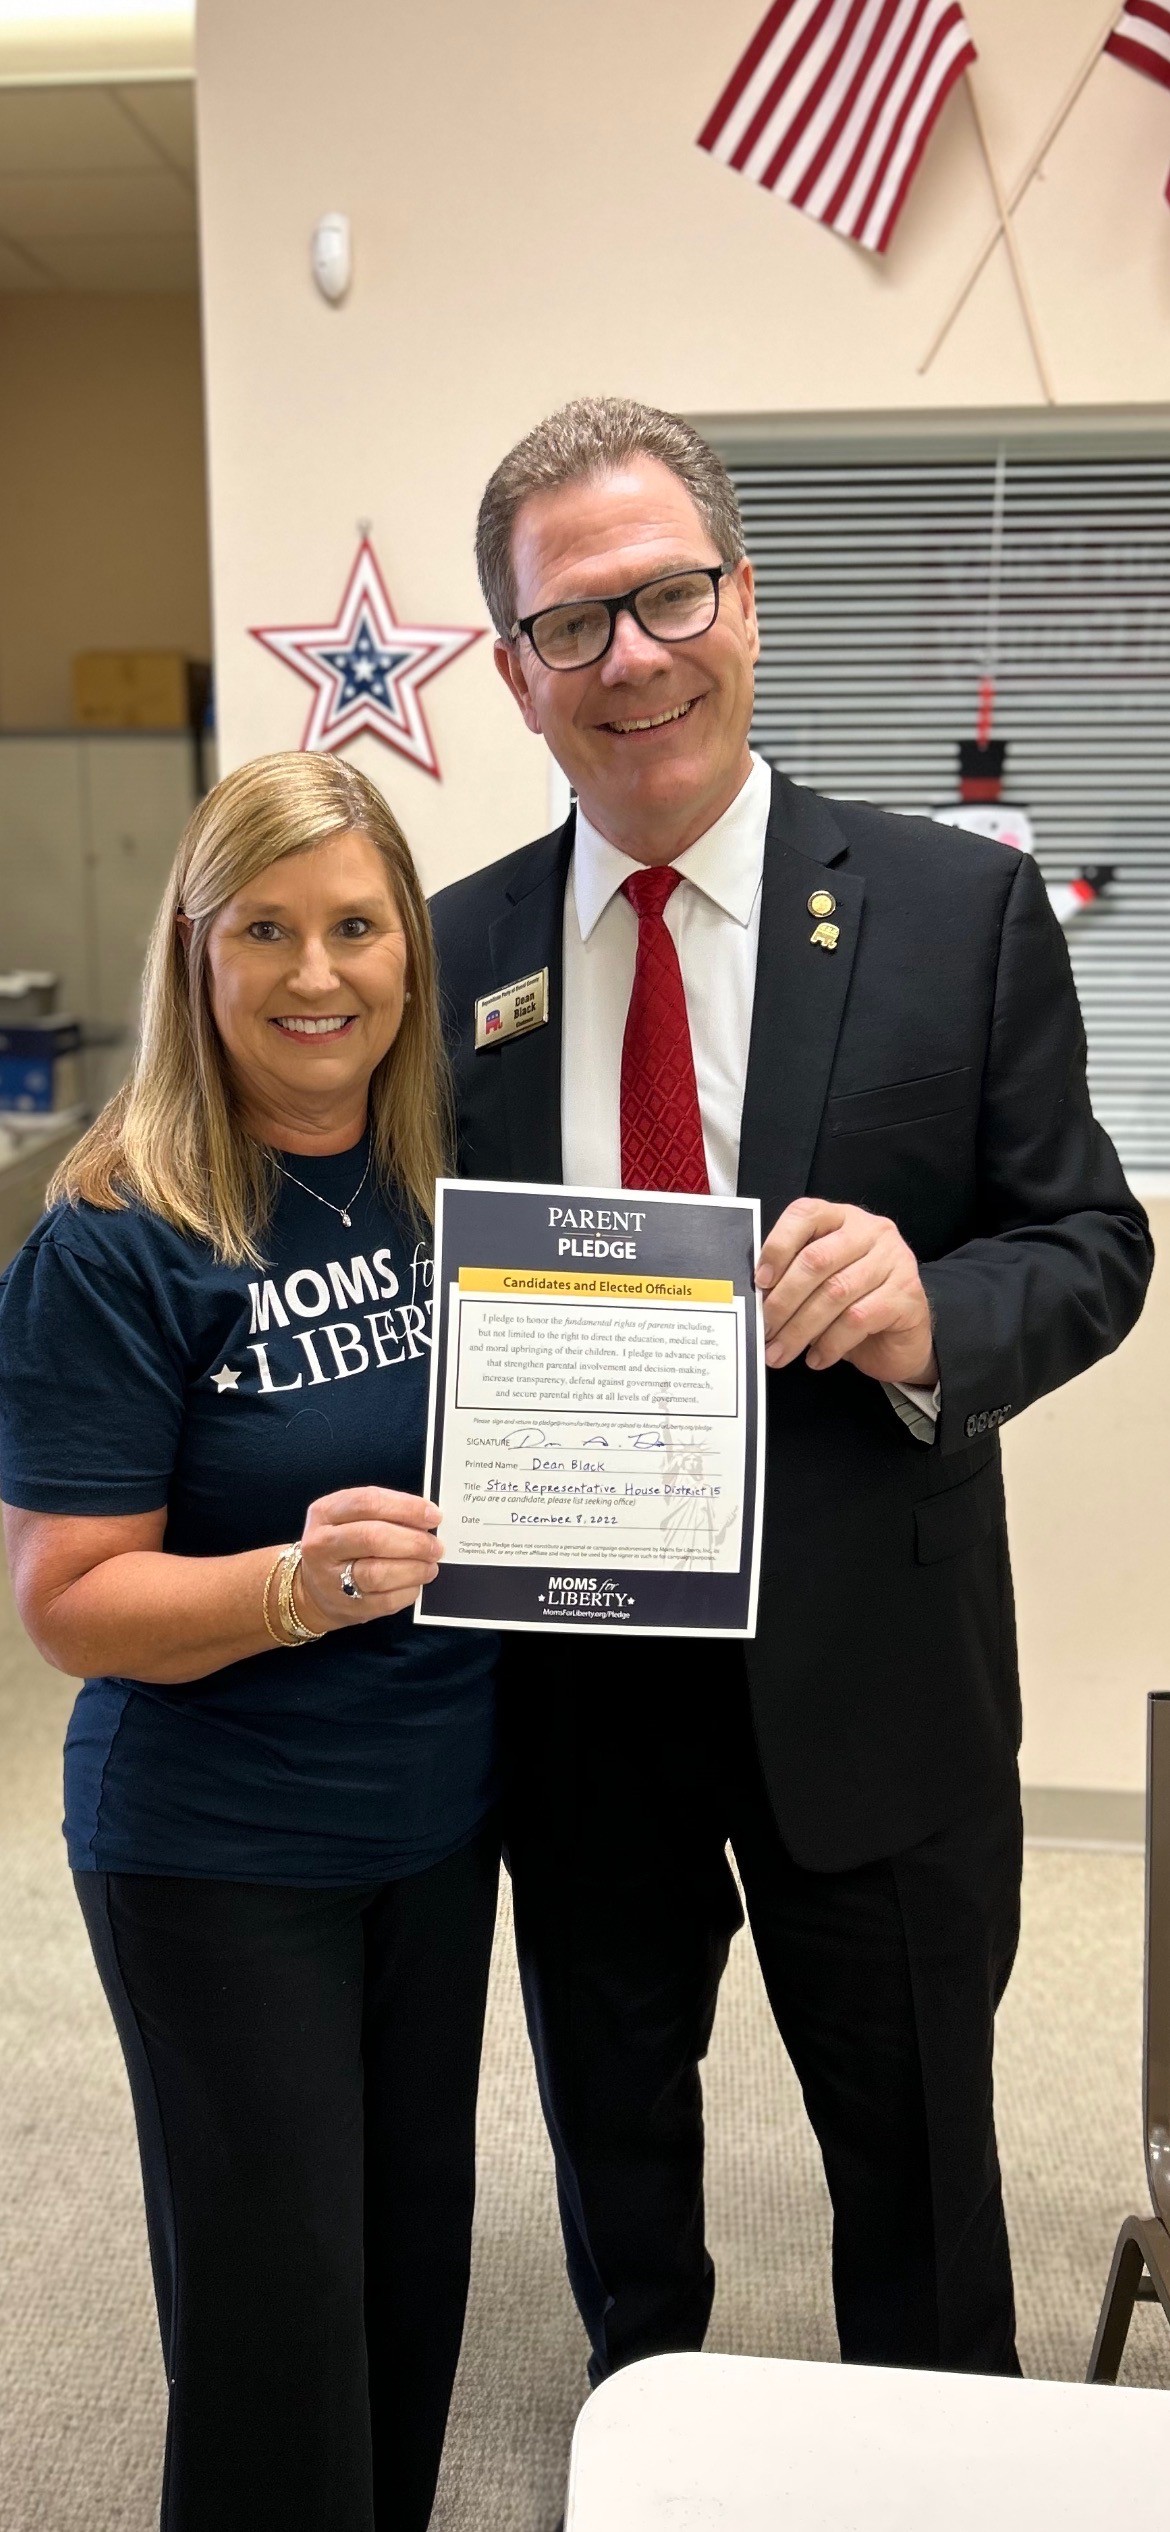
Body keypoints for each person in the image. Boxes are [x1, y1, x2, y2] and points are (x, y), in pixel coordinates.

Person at [429, 397, 1154, 2386]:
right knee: (617, 2160)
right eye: (573, 622)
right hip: (578, 1695)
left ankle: (932, 2471)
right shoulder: (451, 954)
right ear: (514, 669)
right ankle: (643, 2424)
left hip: (879, 1683)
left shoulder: (954, 908)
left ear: (744, 601)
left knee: (917, 2177)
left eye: (668, 596)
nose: (630, 656)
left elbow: (1091, 1244)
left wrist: (928, 1310)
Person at [0, 752, 499, 2532]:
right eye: (265, 931)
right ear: (194, 955)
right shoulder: (115, 1235)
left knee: (408, 2276)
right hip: (219, 1847)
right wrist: (292, 1585)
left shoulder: (448, 1184)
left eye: (355, 926)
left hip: (433, 1828)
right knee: (277, 2321)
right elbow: (66, 1602)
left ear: (409, 952)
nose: (316, 973)